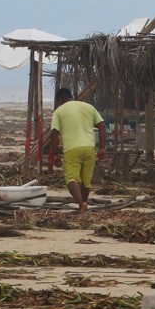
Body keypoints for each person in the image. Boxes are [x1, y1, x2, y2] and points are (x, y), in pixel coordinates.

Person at [46, 86, 105, 214]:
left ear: (59, 100)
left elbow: (54, 133)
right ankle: (82, 207)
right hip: (89, 148)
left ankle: (81, 203)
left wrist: (55, 154)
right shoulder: (88, 107)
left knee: (71, 179)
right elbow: (102, 126)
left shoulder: (59, 111)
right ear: (70, 96)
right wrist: (103, 148)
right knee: (86, 181)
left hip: (72, 149)